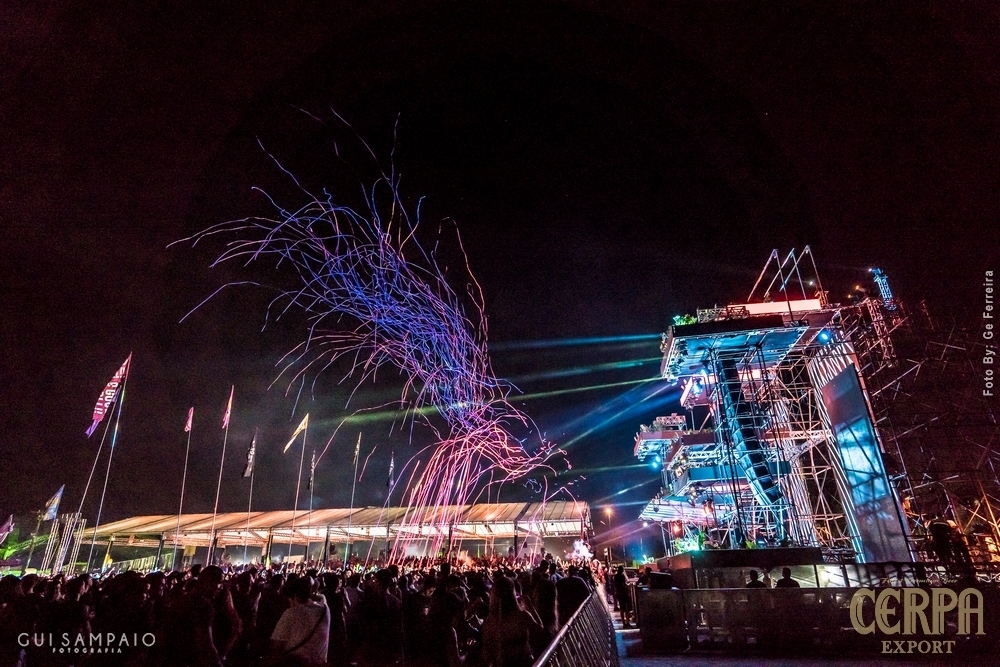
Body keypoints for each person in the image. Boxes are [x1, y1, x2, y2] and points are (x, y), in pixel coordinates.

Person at [268, 575, 330, 667]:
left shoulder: (291, 613)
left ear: (295, 597)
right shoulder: (325, 610)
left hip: (296, 662)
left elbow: (276, 645)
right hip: (319, 663)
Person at [482, 575, 540, 667]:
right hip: (524, 663)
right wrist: (531, 606)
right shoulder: (522, 616)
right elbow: (540, 630)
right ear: (513, 593)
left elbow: (487, 653)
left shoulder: (490, 621)